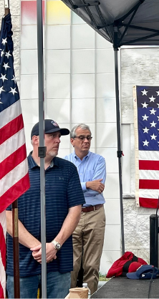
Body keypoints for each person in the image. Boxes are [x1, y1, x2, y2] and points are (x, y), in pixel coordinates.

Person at [5, 120, 83, 299]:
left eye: (59, 136)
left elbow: (75, 210)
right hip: (22, 262)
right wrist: (39, 248)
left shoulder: (68, 170)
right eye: (52, 136)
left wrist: (54, 245)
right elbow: (7, 215)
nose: (58, 140)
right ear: (35, 140)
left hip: (58, 261)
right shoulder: (15, 171)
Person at [63, 123, 106, 294]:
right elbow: (66, 187)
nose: (86, 141)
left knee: (91, 264)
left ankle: (91, 296)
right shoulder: (65, 162)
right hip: (72, 214)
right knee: (72, 264)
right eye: (81, 138)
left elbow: (99, 186)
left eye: (88, 137)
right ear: (72, 141)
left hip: (94, 213)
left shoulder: (99, 160)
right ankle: (71, 297)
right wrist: (88, 184)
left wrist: (77, 186)